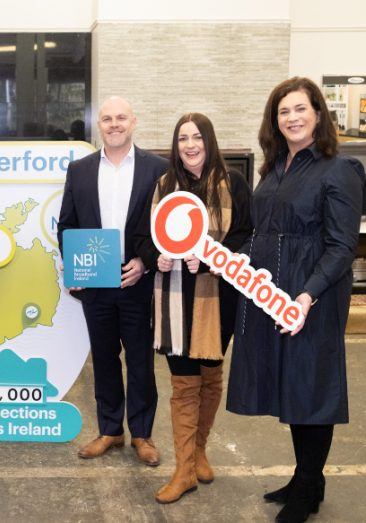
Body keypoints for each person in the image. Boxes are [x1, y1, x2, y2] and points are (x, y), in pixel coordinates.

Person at [226, 77, 365, 522]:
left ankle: (308, 488)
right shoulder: (273, 169)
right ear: (275, 121)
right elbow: (261, 235)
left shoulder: (338, 168)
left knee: (310, 389)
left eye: (300, 109)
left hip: (312, 299)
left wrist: (306, 295)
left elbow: (342, 246)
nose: (292, 118)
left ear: (319, 114)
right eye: (283, 111)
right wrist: (229, 262)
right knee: (290, 387)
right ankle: (307, 477)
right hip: (271, 296)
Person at [134, 113, 252, 503]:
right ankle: (184, 470)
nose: (189, 144)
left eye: (196, 137)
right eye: (182, 138)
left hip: (218, 299)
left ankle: (199, 449)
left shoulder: (232, 182)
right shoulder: (164, 185)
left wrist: (209, 260)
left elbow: (246, 238)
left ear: (209, 140)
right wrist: (156, 258)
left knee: (210, 377)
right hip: (173, 299)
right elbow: (143, 236)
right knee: (184, 385)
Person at [58, 96, 168, 465]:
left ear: (134, 121)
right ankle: (110, 430)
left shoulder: (158, 170)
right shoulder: (81, 171)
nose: (114, 124)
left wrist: (145, 262)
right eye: (107, 119)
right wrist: (75, 266)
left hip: (136, 279)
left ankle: (142, 434)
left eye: (121, 117)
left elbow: (165, 228)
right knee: (104, 359)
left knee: (140, 361)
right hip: (95, 281)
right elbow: (67, 224)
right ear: (99, 125)